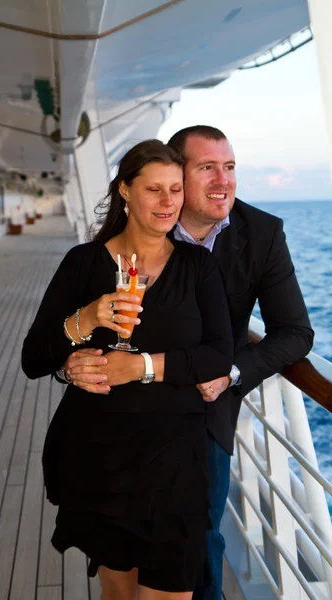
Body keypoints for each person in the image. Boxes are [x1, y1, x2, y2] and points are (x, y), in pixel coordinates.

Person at [63, 127, 314, 600]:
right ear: (176, 173)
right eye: (206, 168)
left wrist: (232, 373)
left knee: (197, 541)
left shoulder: (261, 233)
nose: (223, 180)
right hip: (125, 408)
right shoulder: (134, 232)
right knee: (121, 539)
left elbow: (296, 332)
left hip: (204, 410)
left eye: (230, 167)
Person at [21, 139, 234, 600]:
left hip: (176, 456)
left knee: (173, 588)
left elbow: (219, 354)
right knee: (119, 595)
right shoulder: (83, 263)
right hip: (100, 455)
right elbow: (34, 358)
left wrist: (138, 367)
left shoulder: (197, 265)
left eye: (175, 190)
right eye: (154, 189)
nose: (167, 202)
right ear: (124, 191)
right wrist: (88, 320)